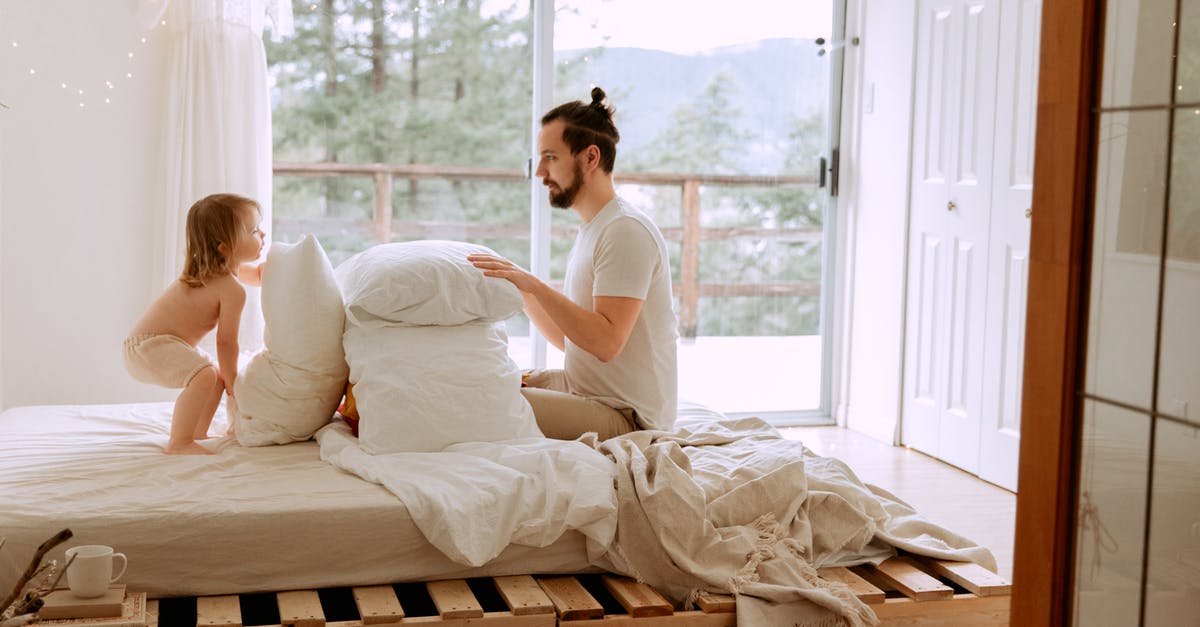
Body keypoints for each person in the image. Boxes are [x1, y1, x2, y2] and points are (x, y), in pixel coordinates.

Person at [470, 87, 678, 440]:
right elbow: (576, 343)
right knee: (480, 378)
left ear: (590, 158)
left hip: (628, 417)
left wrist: (534, 285)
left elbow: (606, 343)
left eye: (551, 157)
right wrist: (521, 290)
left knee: (480, 399)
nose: (540, 172)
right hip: (590, 392)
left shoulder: (624, 230)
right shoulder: (596, 229)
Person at [124, 193, 266, 454]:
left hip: (146, 344)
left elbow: (256, 275)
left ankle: (197, 432)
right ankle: (179, 441)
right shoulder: (230, 289)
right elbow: (226, 341)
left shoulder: (219, 272)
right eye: (254, 230)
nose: (263, 235)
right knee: (207, 374)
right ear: (225, 247)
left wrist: (274, 268)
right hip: (149, 347)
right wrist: (233, 380)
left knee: (214, 375)